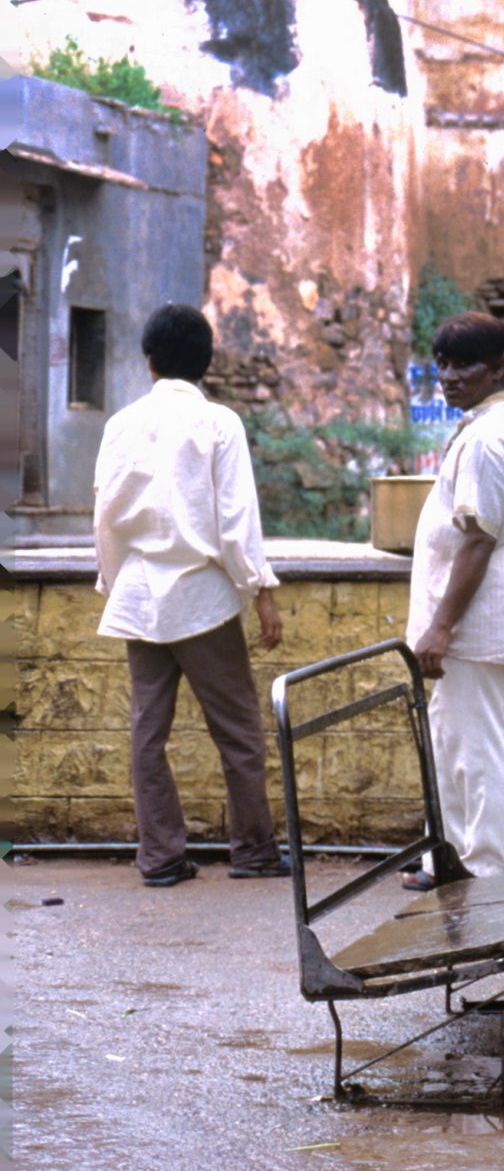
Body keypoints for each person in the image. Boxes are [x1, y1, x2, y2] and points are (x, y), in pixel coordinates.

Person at [92, 304, 287, 888]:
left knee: (147, 735)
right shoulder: (218, 423)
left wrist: (113, 583)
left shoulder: (121, 424)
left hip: (140, 596)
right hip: (203, 599)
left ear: (149, 361)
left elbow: (105, 517)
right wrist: (260, 590)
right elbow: (236, 520)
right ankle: (253, 850)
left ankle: (159, 856)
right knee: (239, 732)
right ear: (206, 362)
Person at [404, 312, 504, 887]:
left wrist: (441, 627)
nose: (449, 376)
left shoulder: (489, 438)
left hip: (469, 622)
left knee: (476, 748)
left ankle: (486, 871)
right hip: (474, 620)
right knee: (456, 743)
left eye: (464, 364)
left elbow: (478, 540)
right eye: (442, 363)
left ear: (499, 368)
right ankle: (448, 860)